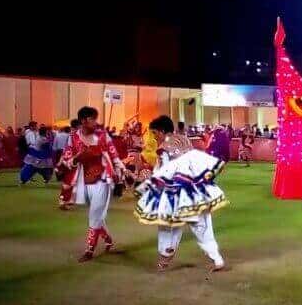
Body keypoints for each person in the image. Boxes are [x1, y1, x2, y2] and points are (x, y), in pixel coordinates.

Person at [135, 115, 228, 272]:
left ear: (162, 131)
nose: (155, 137)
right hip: (198, 188)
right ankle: (216, 259)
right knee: (202, 225)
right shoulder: (184, 140)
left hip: (178, 191)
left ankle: (164, 258)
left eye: (155, 133)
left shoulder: (164, 148)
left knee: (168, 224)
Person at [58, 106, 125, 262]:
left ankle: (89, 250)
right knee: (97, 216)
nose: (96, 122)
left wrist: (121, 171)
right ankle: (109, 242)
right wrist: (77, 158)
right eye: (92, 119)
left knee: (94, 214)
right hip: (83, 181)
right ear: (83, 121)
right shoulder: (73, 137)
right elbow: (67, 159)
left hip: (103, 178)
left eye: (96, 118)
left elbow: (114, 155)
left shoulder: (103, 135)